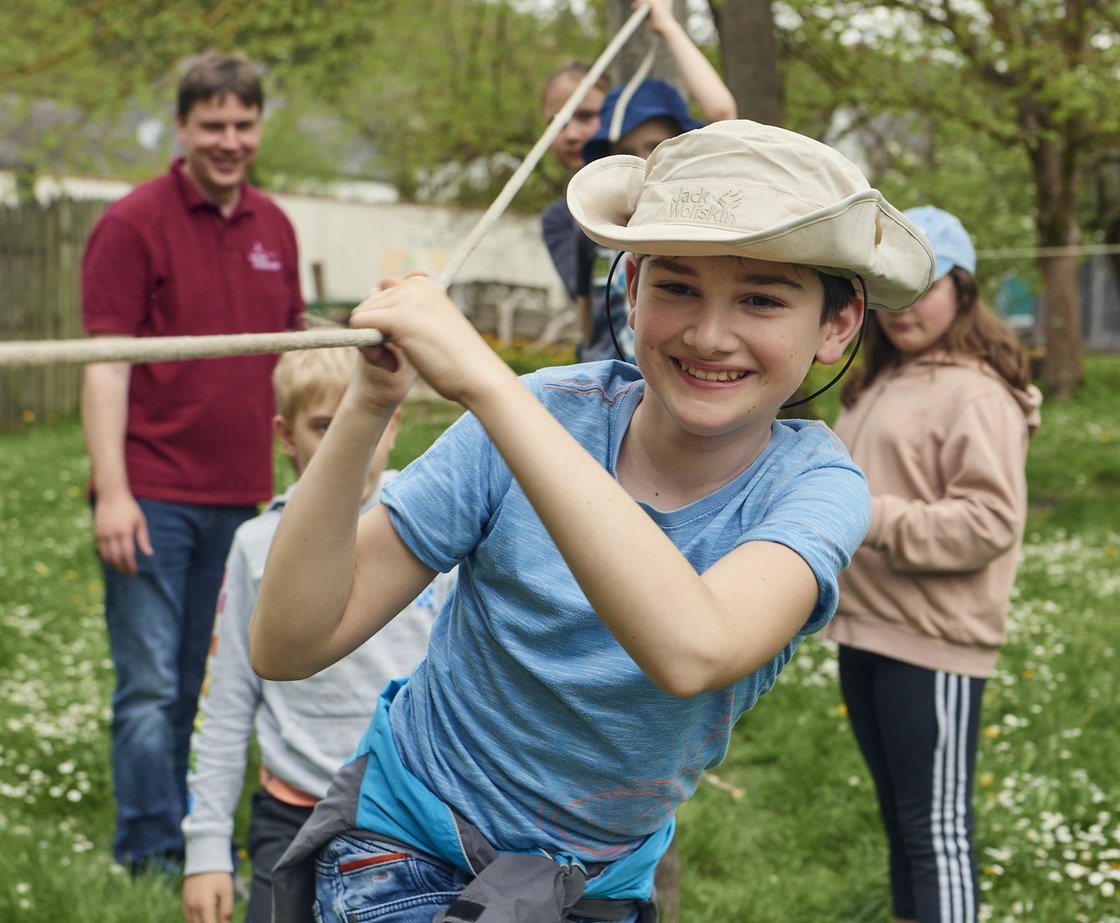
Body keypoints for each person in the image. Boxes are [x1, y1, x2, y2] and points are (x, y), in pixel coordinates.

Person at [249, 118, 936, 923]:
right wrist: (370, 403)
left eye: (760, 299)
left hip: (595, 888)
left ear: (838, 323)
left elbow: (695, 646)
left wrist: (489, 385)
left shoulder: (815, 488)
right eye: (677, 285)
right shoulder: (540, 414)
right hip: (408, 846)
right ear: (633, 288)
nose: (710, 333)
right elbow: (287, 643)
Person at [80, 52, 304, 875]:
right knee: (149, 687)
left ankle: (196, 835)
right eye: (213, 124)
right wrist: (113, 490)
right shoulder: (132, 223)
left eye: (243, 123)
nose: (230, 139)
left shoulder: (275, 227)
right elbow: (104, 364)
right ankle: (147, 853)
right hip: (153, 495)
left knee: (207, 686)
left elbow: (290, 354)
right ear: (182, 127)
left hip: (244, 499)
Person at [181, 346, 453, 923]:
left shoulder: (436, 527)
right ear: (286, 436)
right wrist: (207, 849)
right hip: (291, 814)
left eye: (365, 418)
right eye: (323, 425)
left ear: (393, 422)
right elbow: (226, 701)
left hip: (408, 818)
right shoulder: (256, 547)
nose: (346, 440)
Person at [823, 206, 1042, 923]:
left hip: (934, 643)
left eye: (926, 285)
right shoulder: (883, 379)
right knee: (905, 828)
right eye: (891, 289)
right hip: (867, 633)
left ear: (965, 287)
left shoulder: (977, 391)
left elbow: (989, 522)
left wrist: (870, 515)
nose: (905, 308)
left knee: (936, 834)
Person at [574, 0, 737, 362]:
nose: (643, 162)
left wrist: (667, 26)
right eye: (628, 150)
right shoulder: (600, 225)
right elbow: (584, 307)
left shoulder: (691, 225)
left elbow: (723, 113)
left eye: (654, 147)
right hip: (606, 384)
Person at [539, 61, 608, 303]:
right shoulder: (559, 218)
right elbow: (585, 292)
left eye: (586, 116)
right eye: (558, 123)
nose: (571, 134)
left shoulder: (653, 189)